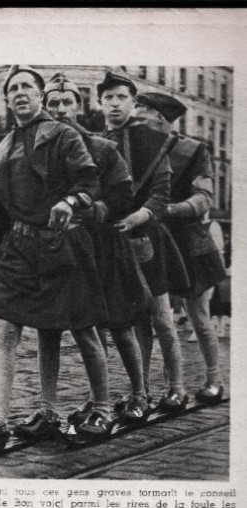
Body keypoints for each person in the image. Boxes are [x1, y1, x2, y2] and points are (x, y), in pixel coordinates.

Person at [0, 65, 107, 457]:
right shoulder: (3, 150)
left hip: (63, 247)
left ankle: (100, 408)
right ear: (7, 99)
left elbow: (90, 181)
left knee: (79, 329)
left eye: (28, 86)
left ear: (40, 96)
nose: (21, 92)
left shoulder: (64, 135)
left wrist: (70, 201)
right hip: (19, 252)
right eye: (14, 88)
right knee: (4, 332)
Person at [31, 72, 152, 432]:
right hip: (61, 249)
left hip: (103, 247)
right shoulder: (39, 155)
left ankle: (140, 394)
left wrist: (89, 213)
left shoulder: (101, 148)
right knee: (75, 326)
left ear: (79, 106)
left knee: (118, 323)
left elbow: (122, 197)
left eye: (67, 102)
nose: (60, 109)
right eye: (53, 102)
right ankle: (82, 401)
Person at [98, 70, 189, 408]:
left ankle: (176, 387)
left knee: (162, 318)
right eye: (109, 98)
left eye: (122, 97)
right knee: (134, 321)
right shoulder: (96, 142)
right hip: (116, 243)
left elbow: (162, 195)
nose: (115, 104)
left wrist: (139, 215)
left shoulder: (153, 143)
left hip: (149, 237)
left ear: (133, 103)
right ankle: (142, 391)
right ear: (100, 104)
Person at [134, 91, 227, 405]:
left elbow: (204, 198)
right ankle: (144, 389)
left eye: (141, 109)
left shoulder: (192, 149)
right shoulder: (134, 146)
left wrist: (169, 210)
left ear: (159, 116)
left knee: (198, 315)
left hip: (188, 241)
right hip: (149, 239)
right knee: (147, 316)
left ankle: (214, 380)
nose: (135, 114)